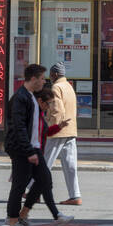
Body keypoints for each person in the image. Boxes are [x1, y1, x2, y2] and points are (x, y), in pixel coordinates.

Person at [3, 64, 73, 226]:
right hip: (22, 149)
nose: (44, 81)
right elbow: (19, 127)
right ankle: (12, 223)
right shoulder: (20, 98)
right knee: (19, 186)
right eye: (42, 78)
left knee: (45, 180)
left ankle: (23, 215)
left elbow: (37, 127)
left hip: (32, 148)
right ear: (33, 79)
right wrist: (28, 151)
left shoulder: (31, 96)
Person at [44, 61, 81, 206]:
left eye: (51, 74)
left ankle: (31, 190)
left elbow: (57, 111)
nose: (49, 76)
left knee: (45, 162)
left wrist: (52, 128)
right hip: (71, 130)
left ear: (55, 74)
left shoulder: (56, 87)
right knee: (70, 165)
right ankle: (75, 195)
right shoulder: (68, 86)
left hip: (59, 131)